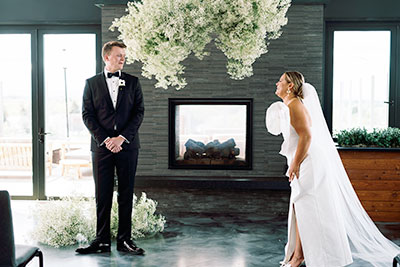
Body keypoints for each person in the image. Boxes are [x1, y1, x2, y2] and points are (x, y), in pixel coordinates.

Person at [265, 71, 400, 267]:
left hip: (309, 162)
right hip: (303, 160)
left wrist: (295, 164)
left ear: (290, 86)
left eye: (280, 81)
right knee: (300, 208)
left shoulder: (295, 105)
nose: (276, 83)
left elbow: (307, 136)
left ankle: (315, 257)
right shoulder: (289, 106)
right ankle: (298, 255)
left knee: (309, 208)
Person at [76, 41, 145, 255]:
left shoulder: (133, 82)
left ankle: (125, 240)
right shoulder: (91, 83)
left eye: (124, 55)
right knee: (102, 195)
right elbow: (87, 115)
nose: (122, 58)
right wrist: (106, 139)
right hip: (101, 147)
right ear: (106, 57)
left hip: (128, 146)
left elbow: (139, 112)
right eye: (118, 55)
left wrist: (121, 138)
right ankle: (102, 241)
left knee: (126, 193)